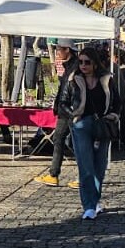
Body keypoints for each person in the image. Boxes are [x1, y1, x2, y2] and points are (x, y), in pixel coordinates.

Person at [55, 45, 120, 220]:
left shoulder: (107, 79)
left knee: (99, 166)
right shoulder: (73, 79)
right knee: (86, 167)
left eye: (87, 62)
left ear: (95, 64)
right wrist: (73, 117)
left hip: (103, 125)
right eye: (81, 62)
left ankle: (95, 200)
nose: (83, 65)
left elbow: (117, 102)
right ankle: (89, 206)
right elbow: (62, 102)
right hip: (81, 125)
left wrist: (113, 116)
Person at [35, 43, 79, 187]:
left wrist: (73, 111)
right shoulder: (68, 67)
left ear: (68, 50)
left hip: (71, 111)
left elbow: (74, 91)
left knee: (77, 143)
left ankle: (82, 176)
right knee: (58, 140)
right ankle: (54, 174)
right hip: (64, 111)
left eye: (59, 50)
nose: (57, 52)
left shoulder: (76, 67)